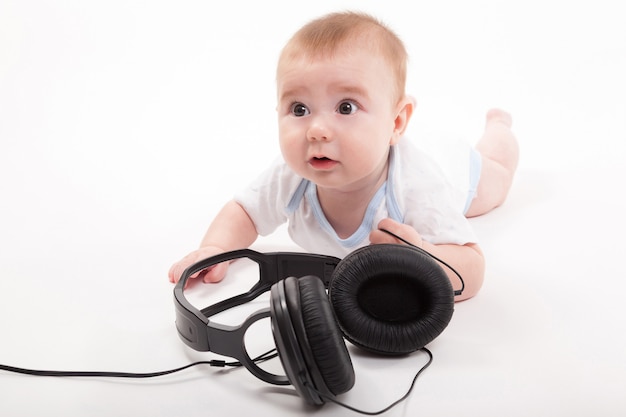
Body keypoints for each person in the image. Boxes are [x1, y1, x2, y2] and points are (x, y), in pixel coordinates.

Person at [168, 11, 519, 301]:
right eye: (300, 108)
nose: (317, 130)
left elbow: (471, 269)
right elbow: (245, 211)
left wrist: (423, 254)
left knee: (496, 181)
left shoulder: (418, 188)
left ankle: (499, 128)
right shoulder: (293, 176)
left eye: (346, 107)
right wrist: (215, 248)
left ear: (396, 121)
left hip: (456, 170)